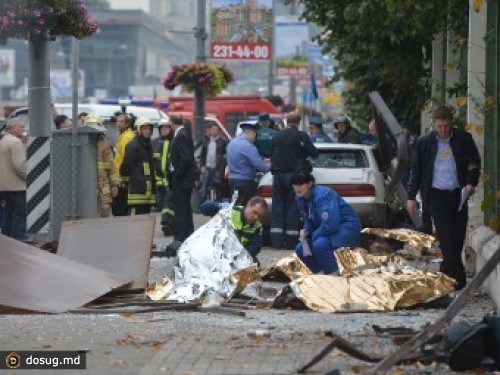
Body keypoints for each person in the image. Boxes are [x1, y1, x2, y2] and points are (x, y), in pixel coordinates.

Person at [406, 105, 481, 291]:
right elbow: (417, 171)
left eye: (446, 126)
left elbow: (473, 165)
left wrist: (471, 183)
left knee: (457, 236)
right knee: (446, 235)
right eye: (439, 126)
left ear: (451, 124)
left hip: (458, 193)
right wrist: (411, 197)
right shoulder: (424, 143)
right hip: (435, 195)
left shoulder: (464, 139)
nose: (443, 130)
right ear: (434, 125)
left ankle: (446, 272)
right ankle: (459, 277)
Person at [291, 168, 361, 274]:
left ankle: (334, 275)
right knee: (301, 248)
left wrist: (313, 235)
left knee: (320, 245)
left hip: (346, 227)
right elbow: (307, 218)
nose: (297, 188)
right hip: (324, 229)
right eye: (295, 184)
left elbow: (331, 224)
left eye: (301, 184)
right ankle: (318, 273)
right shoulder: (300, 198)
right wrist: (306, 231)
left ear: (310, 184)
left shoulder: (323, 196)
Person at [270, 111, 318, 249]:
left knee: (277, 207)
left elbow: (271, 155)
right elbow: (314, 153)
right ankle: (291, 242)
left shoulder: (276, 136)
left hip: (278, 176)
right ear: (298, 122)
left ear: (286, 120)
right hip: (294, 176)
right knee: (293, 207)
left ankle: (277, 241)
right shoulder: (301, 136)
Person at [199, 196, 268, 265]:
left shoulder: (257, 226)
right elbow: (203, 208)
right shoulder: (231, 212)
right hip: (218, 252)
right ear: (248, 205)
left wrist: (239, 256)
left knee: (256, 265)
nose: (256, 217)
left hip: (239, 254)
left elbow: (255, 246)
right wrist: (218, 206)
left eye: (259, 216)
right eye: (254, 212)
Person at [164, 115, 197, 255]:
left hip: (182, 180)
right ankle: (186, 235)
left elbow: (185, 158)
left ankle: (182, 236)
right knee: (183, 208)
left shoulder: (181, 135)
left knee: (182, 209)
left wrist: (177, 174)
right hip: (181, 179)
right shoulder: (181, 134)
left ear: (172, 123)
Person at [227, 122, 270, 207]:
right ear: (250, 132)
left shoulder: (232, 143)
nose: (255, 137)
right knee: (244, 207)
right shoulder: (248, 146)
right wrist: (271, 166)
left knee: (234, 205)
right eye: (255, 134)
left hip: (232, 179)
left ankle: (234, 220)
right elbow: (261, 166)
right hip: (245, 182)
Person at [120, 116, 157, 215]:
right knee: (135, 221)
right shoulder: (133, 145)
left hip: (146, 194)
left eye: (149, 128)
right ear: (138, 129)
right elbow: (125, 169)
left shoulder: (148, 145)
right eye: (145, 128)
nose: (148, 131)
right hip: (136, 192)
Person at [85, 114, 119, 218]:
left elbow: (111, 165)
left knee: (105, 209)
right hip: (87, 185)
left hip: (102, 185)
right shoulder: (81, 142)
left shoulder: (104, 143)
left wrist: (114, 184)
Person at [0, 117, 27, 240]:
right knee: (19, 216)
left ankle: (6, 242)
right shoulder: (15, 142)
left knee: (7, 215)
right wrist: (29, 177)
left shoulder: (3, 141)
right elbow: (20, 165)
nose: (23, 129)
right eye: (21, 126)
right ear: (14, 127)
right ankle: (17, 242)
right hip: (17, 186)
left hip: (4, 186)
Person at [152, 119, 175, 235]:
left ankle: (167, 223)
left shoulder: (174, 142)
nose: (164, 130)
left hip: (171, 180)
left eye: (166, 127)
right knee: (163, 205)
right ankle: (168, 224)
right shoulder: (155, 142)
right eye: (162, 128)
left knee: (169, 203)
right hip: (158, 181)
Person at [112, 113, 135, 216]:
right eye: (117, 121)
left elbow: (126, 159)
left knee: (120, 207)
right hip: (120, 176)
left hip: (122, 178)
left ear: (127, 124)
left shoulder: (126, 138)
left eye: (121, 122)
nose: (118, 124)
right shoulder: (123, 136)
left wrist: (121, 176)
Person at [199, 122, 228, 203]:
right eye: (212, 129)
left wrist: (225, 167)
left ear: (219, 131)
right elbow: (202, 155)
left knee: (217, 187)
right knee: (204, 187)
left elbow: (226, 155)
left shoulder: (223, 141)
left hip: (218, 168)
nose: (213, 131)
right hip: (207, 167)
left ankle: (217, 204)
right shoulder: (206, 141)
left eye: (215, 129)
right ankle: (202, 205)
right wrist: (202, 166)